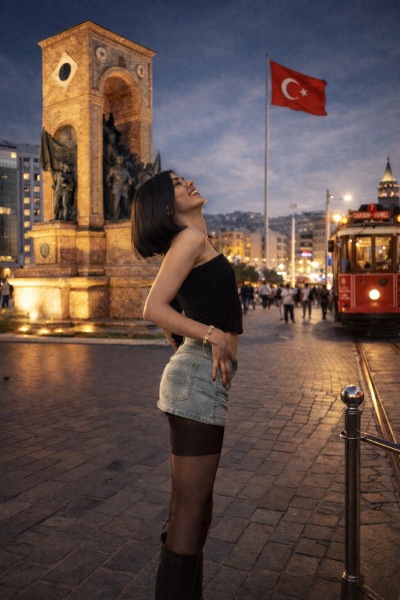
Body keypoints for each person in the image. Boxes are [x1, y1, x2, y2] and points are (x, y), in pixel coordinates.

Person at [131, 171, 242, 599]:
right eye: (177, 184)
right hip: (197, 380)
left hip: (198, 378)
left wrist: (189, 342)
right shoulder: (190, 240)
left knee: (196, 513)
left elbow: (173, 313)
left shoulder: (195, 241)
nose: (189, 183)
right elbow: (154, 308)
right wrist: (209, 336)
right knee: (189, 516)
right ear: (166, 206)